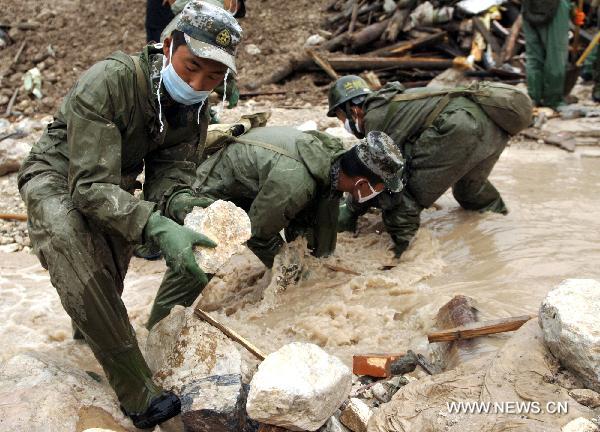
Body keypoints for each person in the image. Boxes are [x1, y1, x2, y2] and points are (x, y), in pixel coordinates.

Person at [17, 1, 242, 428]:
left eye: (213, 77)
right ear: (169, 43)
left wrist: (180, 207)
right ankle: (138, 393)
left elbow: (169, 174)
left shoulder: (195, 108)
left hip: (115, 179)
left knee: (109, 274)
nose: (198, 83)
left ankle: (86, 341)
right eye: (191, 66)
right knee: (73, 247)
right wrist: (155, 225)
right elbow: (86, 187)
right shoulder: (110, 80)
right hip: (57, 173)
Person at [145, 126, 405, 329]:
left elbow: (318, 224)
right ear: (362, 184)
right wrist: (290, 270)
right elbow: (257, 234)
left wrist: (314, 269)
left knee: (316, 237)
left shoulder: (335, 161)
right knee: (209, 248)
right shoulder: (295, 184)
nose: (380, 195)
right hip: (215, 185)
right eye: (380, 188)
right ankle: (158, 325)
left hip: (258, 180)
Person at [328, 75, 512, 259]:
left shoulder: (375, 117)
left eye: (340, 117)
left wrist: (351, 209)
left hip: (460, 129)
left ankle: (404, 257)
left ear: (352, 111)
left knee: (403, 197)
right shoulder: (389, 100)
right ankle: (501, 225)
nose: (342, 123)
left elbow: (380, 174)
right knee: (470, 191)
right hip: (492, 126)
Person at [522, 0, 580, 108]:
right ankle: (553, 100)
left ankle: (534, 97)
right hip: (556, 6)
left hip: (529, 6)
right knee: (556, 56)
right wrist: (573, 9)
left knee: (534, 56)